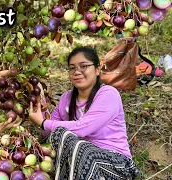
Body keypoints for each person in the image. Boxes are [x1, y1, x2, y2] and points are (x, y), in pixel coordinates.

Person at [29, 46, 139, 180]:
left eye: (84, 66)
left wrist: (43, 123)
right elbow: (48, 133)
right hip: (80, 163)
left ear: (98, 69)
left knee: (82, 148)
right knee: (60, 135)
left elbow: (82, 128)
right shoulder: (66, 98)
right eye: (72, 68)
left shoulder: (109, 94)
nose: (77, 72)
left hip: (117, 164)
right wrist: (40, 100)